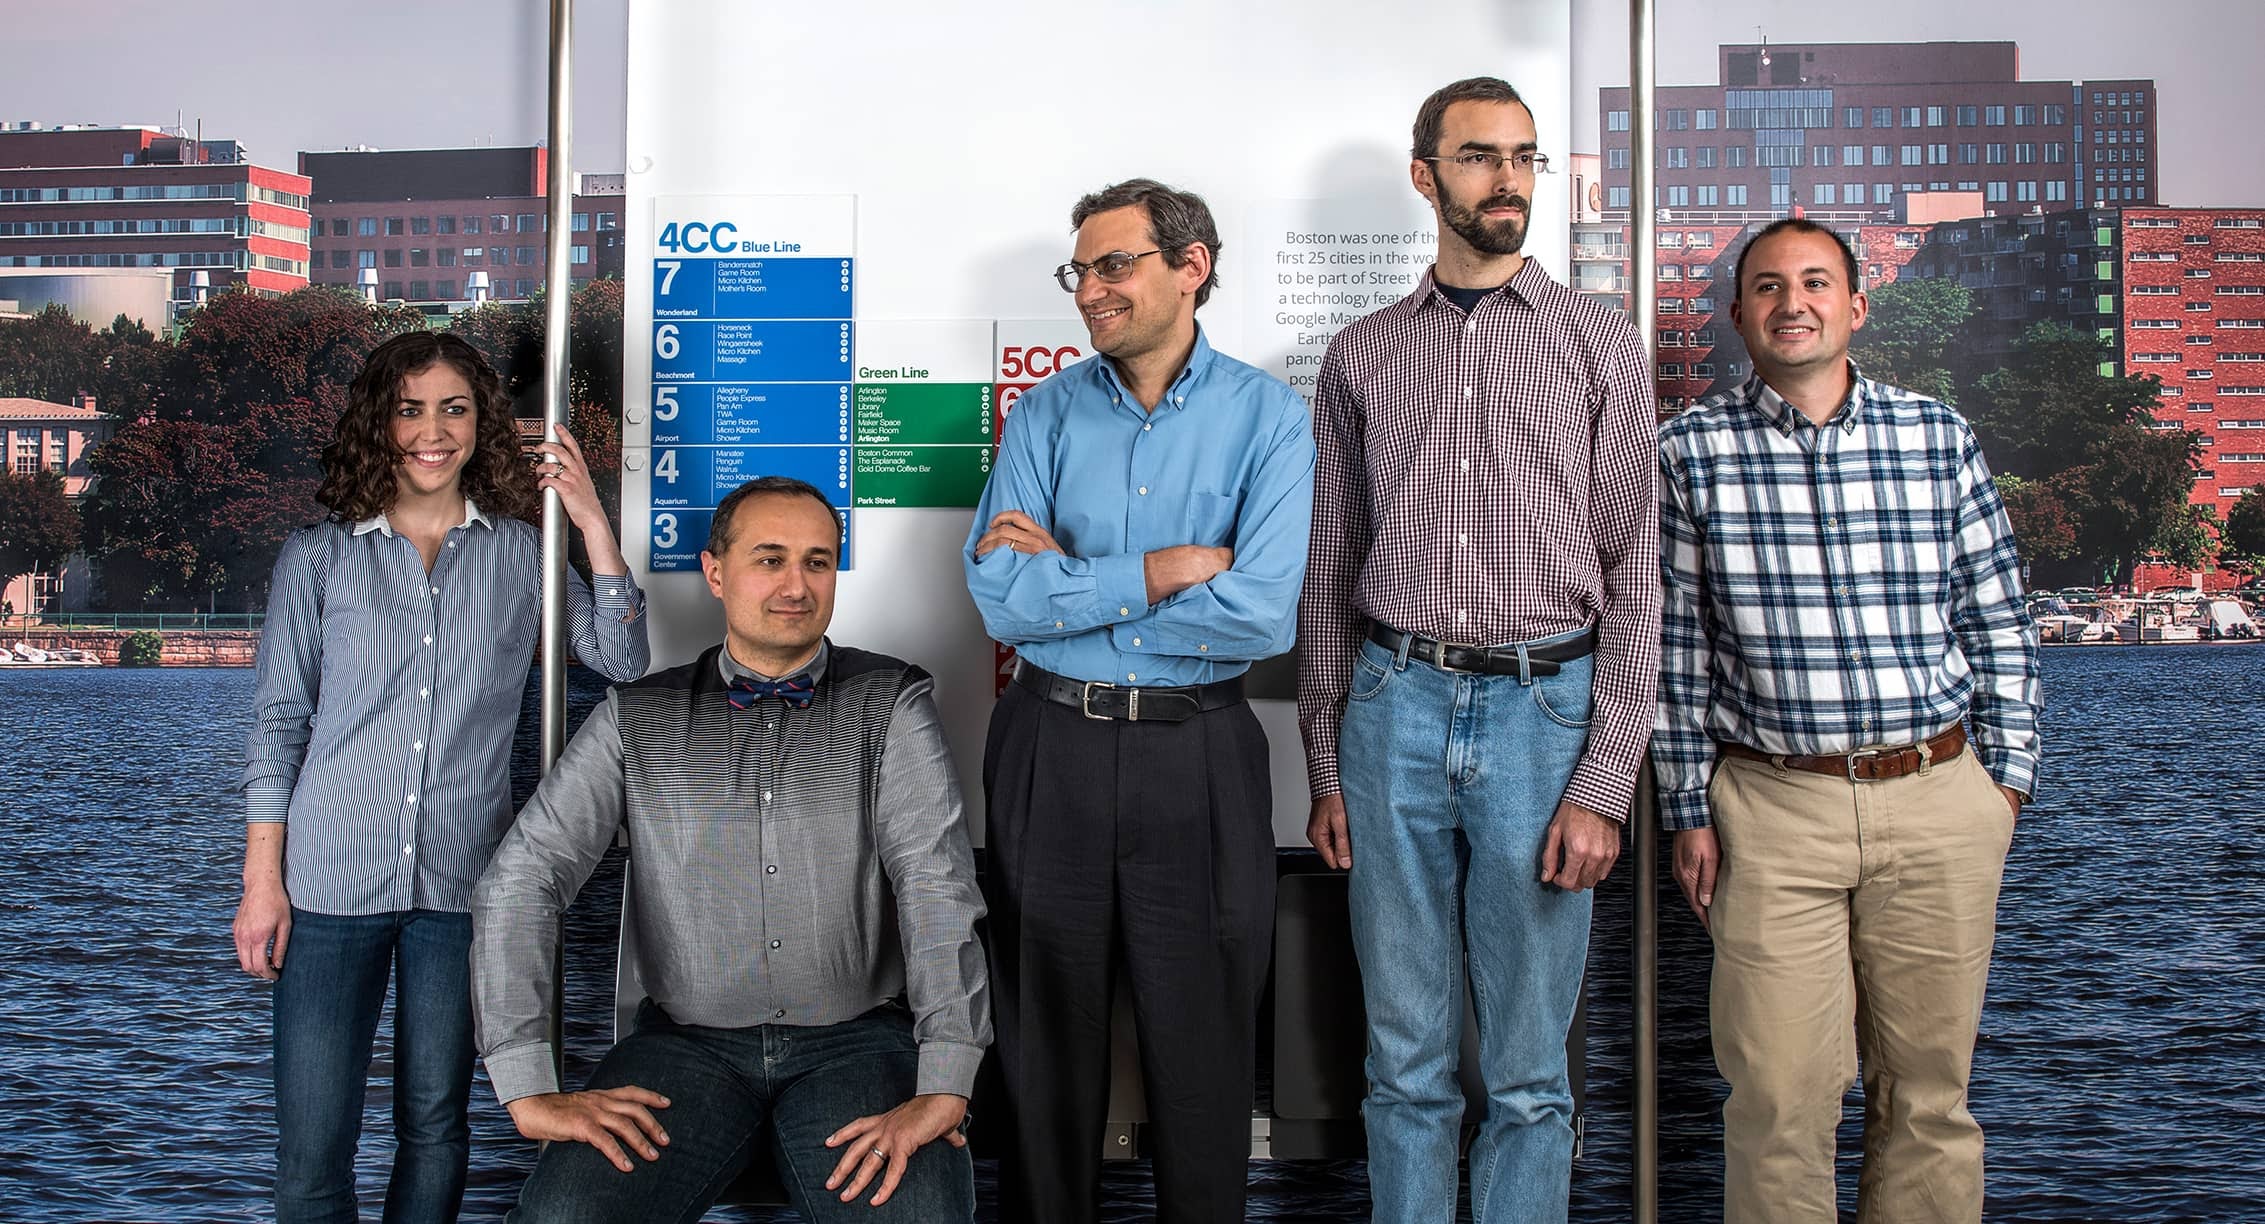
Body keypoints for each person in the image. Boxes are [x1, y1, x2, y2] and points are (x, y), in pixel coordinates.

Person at [1295, 77, 1659, 1224]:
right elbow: (1327, 571)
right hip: (1389, 708)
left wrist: (1605, 781)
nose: (1507, 179)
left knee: (1531, 1080)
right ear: (1426, 176)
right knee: (1402, 1068)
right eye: (1478, 157)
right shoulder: (1360, 356)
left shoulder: (1602, 342)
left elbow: (1638, 576)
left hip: (1545, 718)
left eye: (1524, 157)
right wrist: (1322, 760)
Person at [1653, 217, 2041, 1223]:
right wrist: (1687, 808)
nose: (1795, 302)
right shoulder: (1688, 453)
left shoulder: (1936, 435)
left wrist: (2003, 786)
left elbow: (1998, 618)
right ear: (1738, 315)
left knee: (1929, 1100)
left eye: (1817, 282)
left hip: (1941, 798)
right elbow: (1676, 652)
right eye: (1770, 286)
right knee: (1779, 1100)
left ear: (1856, 306)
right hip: (1772, 812)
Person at [473, 476, 989, 1223]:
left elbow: (935, 886)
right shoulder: (635, 715)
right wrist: (526, 1084)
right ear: (716, 572)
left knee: (919, 1216)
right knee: (564, 1216)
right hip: (684, 1051)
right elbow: (521, 880)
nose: (796, 585)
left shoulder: (893, 701)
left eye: (818, 561)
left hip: (856, 1046)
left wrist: (946, 1079)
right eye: (770, 559)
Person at [234, 330, 649, 1224]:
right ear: (379, 423)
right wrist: (261, 883)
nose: (432, 431)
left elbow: (619, 658)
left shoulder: (520, 555)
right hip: (327, 884)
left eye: (453, 409)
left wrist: (585, 519)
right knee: (313, 1146)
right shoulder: (318, 558)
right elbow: (278, 724)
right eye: (411, 409)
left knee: (435, 1127)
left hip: (464, 889)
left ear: (480, 422)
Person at [964, 177, 1314, 1223]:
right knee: (1042, 1058)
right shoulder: (1045, 412)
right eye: (1082, 271)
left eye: (1115, 265)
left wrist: (1071, 582)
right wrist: (1158, 571)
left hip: (1197, 755)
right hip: (1048, 748)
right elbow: (998, 598)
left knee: (1203, 1059)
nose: (1091, 290)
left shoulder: (1270, 416)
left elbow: (1260, 619)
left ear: (1191, 266)